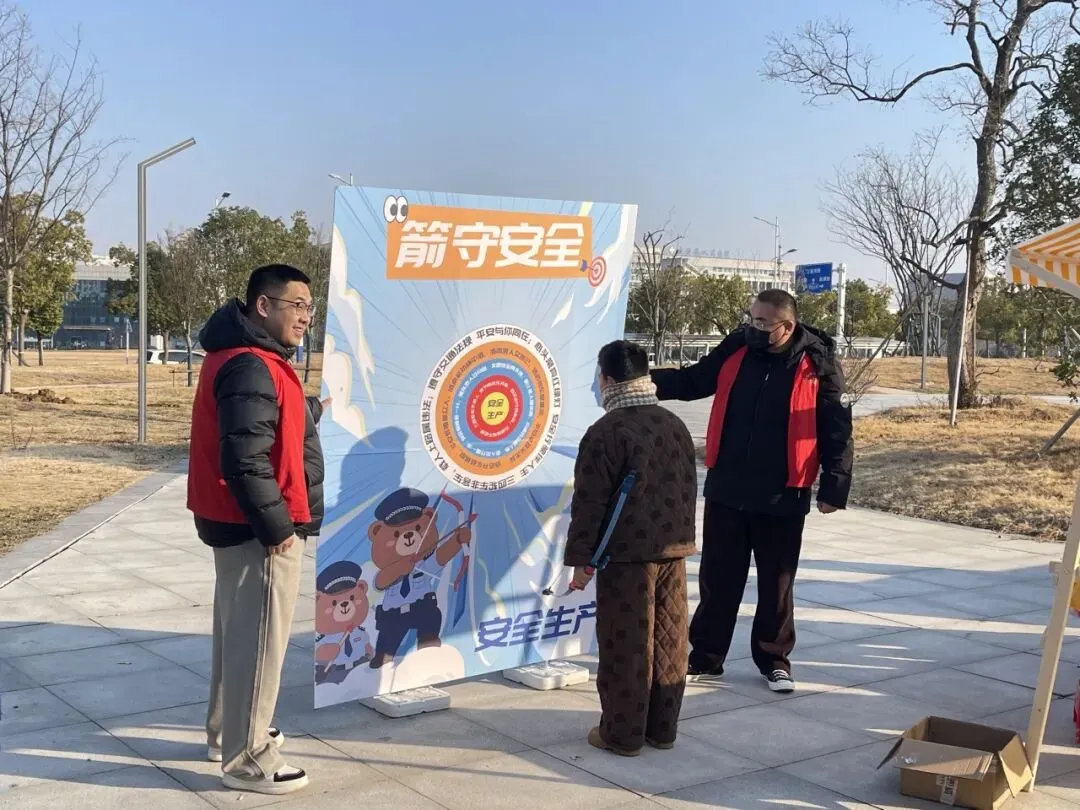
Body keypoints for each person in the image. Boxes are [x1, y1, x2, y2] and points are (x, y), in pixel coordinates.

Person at [651, 288, 853, 694]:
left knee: (777, 584)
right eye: (751, 319)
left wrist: (835, 486)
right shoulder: (737, 347)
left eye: (762, 322)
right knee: (718, 578)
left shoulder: (818, 363)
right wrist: (643, 381)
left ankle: (774, 660)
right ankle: (706, 656)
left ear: (787, 327)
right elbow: (694, 380)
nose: (753, 327)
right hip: (728, 485)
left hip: (783, 493)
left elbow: (836, 426)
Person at [187, 264, 327, 795]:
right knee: (260, 640)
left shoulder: (247, 357)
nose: (305, 317)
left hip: (234, 521)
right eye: (296, 305)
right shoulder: (250, 364)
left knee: (239, 635)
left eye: (310, 308)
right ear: (263, 306)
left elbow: (264, 420)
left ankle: (228, 733)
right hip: (257, 528)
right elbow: (245, 457)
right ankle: (248, 759)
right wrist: (276, 528)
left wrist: (312, 408)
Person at [564, 340, 698, 757]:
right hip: (673, 549)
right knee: (670, 639)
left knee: (627, 642)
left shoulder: (607, 432)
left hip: (624, 556)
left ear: (606, 380)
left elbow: (589, 503)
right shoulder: (673, 424)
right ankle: (662, 729)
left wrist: (580, 561)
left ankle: (622, 735)